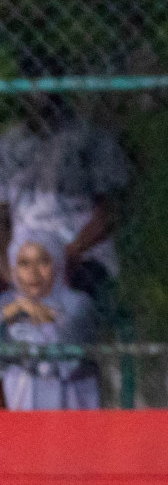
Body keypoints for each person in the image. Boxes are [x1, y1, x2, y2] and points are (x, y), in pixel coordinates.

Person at [0, 90, 130, 325]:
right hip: (22, 255)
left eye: (47, 92)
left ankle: (65, 356)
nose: (40, 100)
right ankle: (18, 356)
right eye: (32, 92)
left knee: (65, 303)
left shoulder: (89, 139)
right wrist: (10, 269)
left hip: (78, 251)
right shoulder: (8, 146)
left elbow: (109, 214)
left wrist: (66, 256)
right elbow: (1, 219)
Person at [1, 231, 99, 410]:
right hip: (20, 403)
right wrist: (8, 313)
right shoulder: (7, 303)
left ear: (58, 264)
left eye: (43, 261)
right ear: (14, 269)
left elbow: (72, 352)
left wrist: (43, 315)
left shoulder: (77, 302)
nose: (33, 272)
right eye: (24, 263)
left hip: (70, 400)